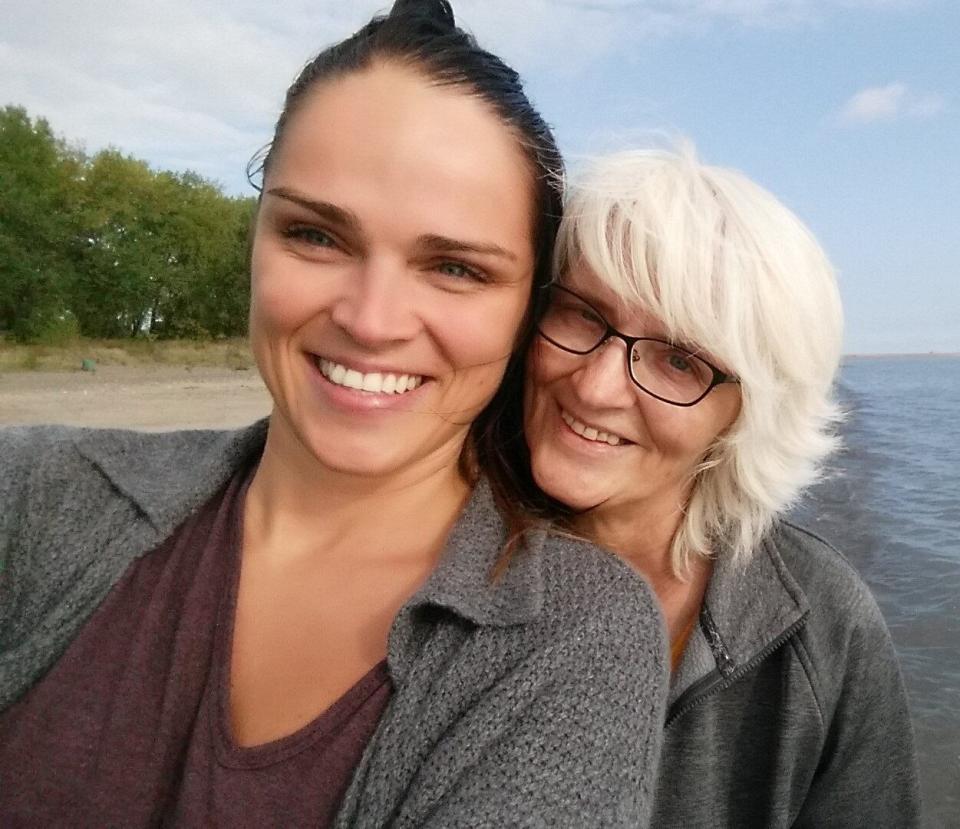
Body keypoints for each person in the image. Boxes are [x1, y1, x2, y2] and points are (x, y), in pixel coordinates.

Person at [0, 3, 669, 826]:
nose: (371, 317)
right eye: (317, 236)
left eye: (455, 267)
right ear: (257, 236)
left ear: (527, 308)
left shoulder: (572, 636)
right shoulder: (35, 494)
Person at [521, 145, 922, 827]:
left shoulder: (824, 627)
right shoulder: (425, 555)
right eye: (584, 314)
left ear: (746, 414)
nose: (595, 385)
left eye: (679, 359)